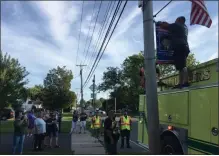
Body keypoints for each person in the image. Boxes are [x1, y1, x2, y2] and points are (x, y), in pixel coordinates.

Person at [158, 16, 190, 88]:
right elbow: (174, 35)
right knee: (180, 66)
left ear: (179, 20)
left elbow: (165, 26)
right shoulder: (184, 28)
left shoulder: (177, 25)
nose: (175, 20)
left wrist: (159, 23)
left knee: (183, 66)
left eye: (176, 19)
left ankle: (186, 82)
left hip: (179, 46)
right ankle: (181, 83)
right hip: (184, 47)